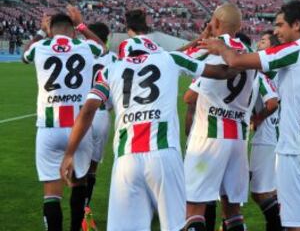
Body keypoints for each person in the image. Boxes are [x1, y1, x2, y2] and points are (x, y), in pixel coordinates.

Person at [60, 38, 243, 230]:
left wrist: (69, 153)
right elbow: (222, 72)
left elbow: (88, 111)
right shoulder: (170, 58)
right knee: (178, 225)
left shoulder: (109, 70)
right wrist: (239, 61)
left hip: (126, 159)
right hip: (164, 156)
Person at [199, 0, 300, 231]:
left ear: (297, 24)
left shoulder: (296, 50)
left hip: (296, 153)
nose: (276, 31)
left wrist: (220, 48)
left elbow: (237, 61)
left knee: (296, 227)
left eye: (280, 25)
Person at [22, 6, 105, 231]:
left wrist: (41, 32)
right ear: (72, 30)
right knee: (79, 183)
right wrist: (82, 25)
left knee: (52, 192)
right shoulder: (85, 46)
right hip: (79, 129)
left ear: (51, 29)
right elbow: (103, 48)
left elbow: (24, 55)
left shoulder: (40, 46)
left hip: (49, 128)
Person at [183, 3, 253, 231]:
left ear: (216, 23)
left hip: (209, 139)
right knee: (232, 210)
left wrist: (202, 39)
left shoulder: (213, 49)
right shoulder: (246, 53)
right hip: (238, 140)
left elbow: (188, 92)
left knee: (193, 207)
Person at [81, 21, 117, 229]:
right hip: (101, 113)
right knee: (92, 167)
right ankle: (86, 210)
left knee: (78, 165)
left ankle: (82, 212)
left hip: (80, 113)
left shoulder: (81, 53)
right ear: (107, 37)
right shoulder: (112, 59)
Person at [249, 30, 282, 231]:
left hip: (266, 135)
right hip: (277, 133)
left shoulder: (265, 73)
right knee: (272, 190)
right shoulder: (281, 71)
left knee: (259, 191)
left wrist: (256, 119)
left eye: (263, 41)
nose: (259, 44)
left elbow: (272, 103)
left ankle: (279, 225)